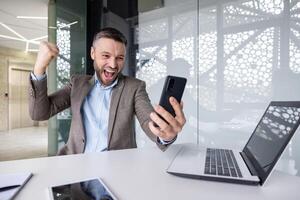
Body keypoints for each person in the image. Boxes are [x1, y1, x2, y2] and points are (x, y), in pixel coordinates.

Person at [28, 27, 186, 155]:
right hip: (76, 167)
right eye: (106, 56)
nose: (113, 64)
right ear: (92, 53)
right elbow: (40, 113)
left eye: (119, 58)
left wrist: (165, 134)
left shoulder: (135, 87)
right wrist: (40, 67)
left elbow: (148, 122)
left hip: (117, 170)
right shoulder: (76, 84)